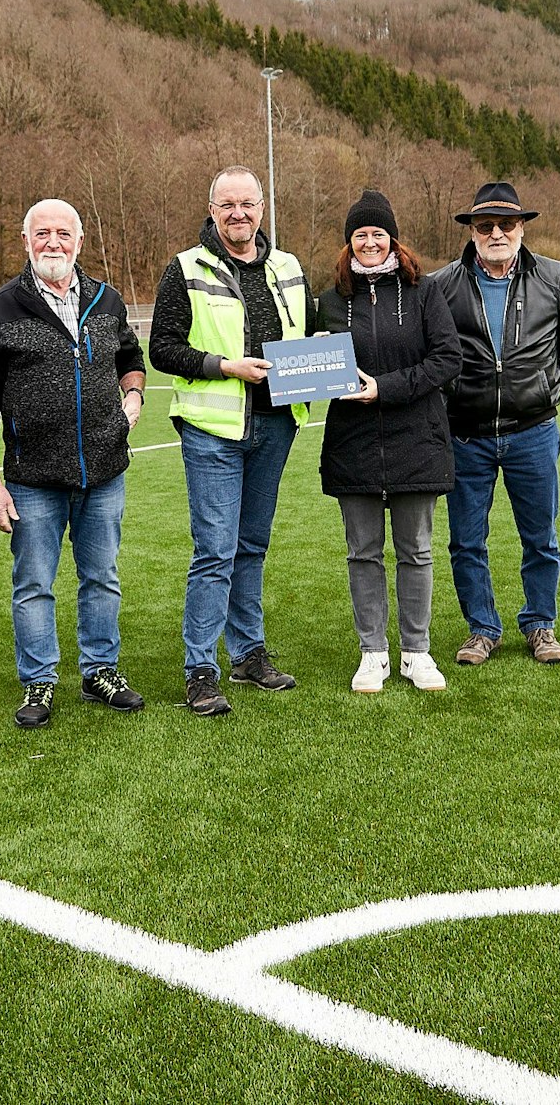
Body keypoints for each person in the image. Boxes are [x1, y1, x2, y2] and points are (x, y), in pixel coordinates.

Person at [0, 199, 148, 729]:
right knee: (34, 584)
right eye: (41, 233)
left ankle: (99, 671)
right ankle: (39, 680)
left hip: (105, 472)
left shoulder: (106, 299)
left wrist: (132, 398)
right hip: (32, 479)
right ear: (25, 241)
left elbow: (131, 358)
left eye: (63, 233)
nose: (53, 242)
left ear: (79, 241)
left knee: (102, 577)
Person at [149, 165, 319, 716]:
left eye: (248, 203)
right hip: (213, 431)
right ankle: (201, 668)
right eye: (228, 205)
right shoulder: (186, 269)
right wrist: (225, 366)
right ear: (212, 209)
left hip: (276, 425)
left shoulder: (289, 267)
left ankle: (247, 653)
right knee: (215, 551)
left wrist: (324, 366)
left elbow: (313, 333)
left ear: (262, 207)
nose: (239, 213)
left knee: (252, 546)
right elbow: (163, 349)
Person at [429, 181, 560, 667]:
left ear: (522, 228)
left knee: (540, 535)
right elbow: (433, 353)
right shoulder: (442, 285)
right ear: (472, 232)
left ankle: (541, 625)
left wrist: (543, 387)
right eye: (485, 225)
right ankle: (482, 629)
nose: (496, 233)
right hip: (467, 434)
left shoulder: (555, 277)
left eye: (506, 224)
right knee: (466, 540)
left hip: (533, 431)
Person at [315, 190, 462, 693]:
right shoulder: (330, 300)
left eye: (378, 233)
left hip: (415, 439)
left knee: (416, 549)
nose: (370, 242)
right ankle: (373, 652)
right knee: (362, 552)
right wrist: (312, 358)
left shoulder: (424, 292)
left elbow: (447, 359)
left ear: (393, 239)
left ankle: (416, 652)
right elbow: (312, 366)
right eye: (361, 234)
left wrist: (386, 388)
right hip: (352, 443)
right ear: (349, 242)